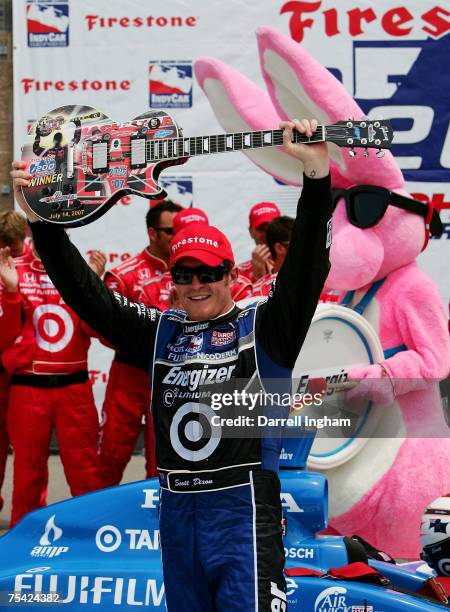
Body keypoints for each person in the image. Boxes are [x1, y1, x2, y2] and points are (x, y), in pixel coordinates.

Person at [12, 118, 332, 611]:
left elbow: (309, 267)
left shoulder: (266, 329)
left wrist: (316, 174)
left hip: (242, 509)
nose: (197, 283)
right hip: (178, 510)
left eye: (209, 272)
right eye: (185, 273)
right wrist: (42, 219)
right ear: (172, 278)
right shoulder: (160, 332)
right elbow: (86, 294)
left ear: (230, 274)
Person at [1, 239, 104, 525]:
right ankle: (23, 545)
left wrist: (93, 290)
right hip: (28, 387)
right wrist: (10, 291)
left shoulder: (78, 268)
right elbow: (3, 337)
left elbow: (98, 332)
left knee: (85, 472)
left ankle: (94, 538)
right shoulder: (11, 269)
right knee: (27, 474)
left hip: (75, 387)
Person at [100, 200, 182, 487]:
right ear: (152, 233)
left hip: (171, 377)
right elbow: (107, 329)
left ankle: (159, 524)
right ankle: (102, 522)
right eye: (171, 231)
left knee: (164, 460)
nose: (178, 236)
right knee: (110, 454)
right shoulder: (124, 274)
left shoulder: (192, 275)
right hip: (130, 374)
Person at [238, 200, 280, 283]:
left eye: (272, 227)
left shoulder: (300, 263)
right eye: (261, 229)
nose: (267, 234)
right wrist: (258, 278)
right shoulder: (238, 273)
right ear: (251, 232)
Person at [252, 216, 294, 297]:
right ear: (279, 248)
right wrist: (258, 277)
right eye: (298, 242)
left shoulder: (315, 275)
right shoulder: (259, 289)